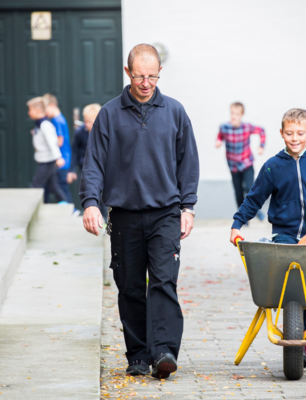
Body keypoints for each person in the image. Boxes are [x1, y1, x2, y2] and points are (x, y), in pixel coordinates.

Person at [80, 44, 199, 379]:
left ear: (159, 73)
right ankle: (138, 355)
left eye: (152, 76)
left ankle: (163, 352)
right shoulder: (109, 114)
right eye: (139, 76)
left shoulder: (175, 112)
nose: (146, 82)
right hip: (125, 216)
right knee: (130, 286)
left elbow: (188, 163)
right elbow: (94, 165)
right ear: (127, 72)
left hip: (165, 213)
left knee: (163, 283)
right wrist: (91, 202)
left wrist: (187, 207)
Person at [229, 108, 306, 366]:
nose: (295, 138)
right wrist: (237, 224)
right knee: (291, 287)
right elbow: (254, 198)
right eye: (290, 133)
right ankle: (297, 331)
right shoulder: (273, 166)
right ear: (282, 133)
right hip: (284, 235)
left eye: (300, 133)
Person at [215, 102, 266, 220]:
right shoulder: (224, 127)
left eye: (237, 114)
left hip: (246, 163)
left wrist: (261, 146)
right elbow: (220, 136)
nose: (234, 116)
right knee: (238, 193)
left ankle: (256, 211)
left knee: (250, 189)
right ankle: (243, 217)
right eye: (232, 113)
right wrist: (218, 141)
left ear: (241, 115)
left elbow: (261, 131)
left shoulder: (247, 127)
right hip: (233, 166)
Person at [67, 104, 106, 219]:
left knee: (102, 193)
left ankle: (104, 217)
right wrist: (71, 170)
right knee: (88, 189)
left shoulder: (104, 132)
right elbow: (74, 152)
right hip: (84, 167)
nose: (86, 124)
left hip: (101, 167)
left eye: (89, 121)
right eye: (85, 121)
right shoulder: (80, 133)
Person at [26, 97, 67, 202]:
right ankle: (66, 205)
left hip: (47, 161)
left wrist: (58, 158)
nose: (28, 113)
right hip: (44, 160)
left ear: (38, 111)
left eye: (30, 110)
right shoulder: (39, 126)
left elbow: (52, 143)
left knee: (36, 184)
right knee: (53, 186)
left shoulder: (45, 125)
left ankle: (30, 206)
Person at [43, 93, 73, 204]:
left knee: (61, 188)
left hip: (62, 161)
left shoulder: (57, 120)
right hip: (63, 160)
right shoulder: (59, 119)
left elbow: (59, 141)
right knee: (57, 186)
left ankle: (70, 208)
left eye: (45, 109)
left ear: (51, 105)